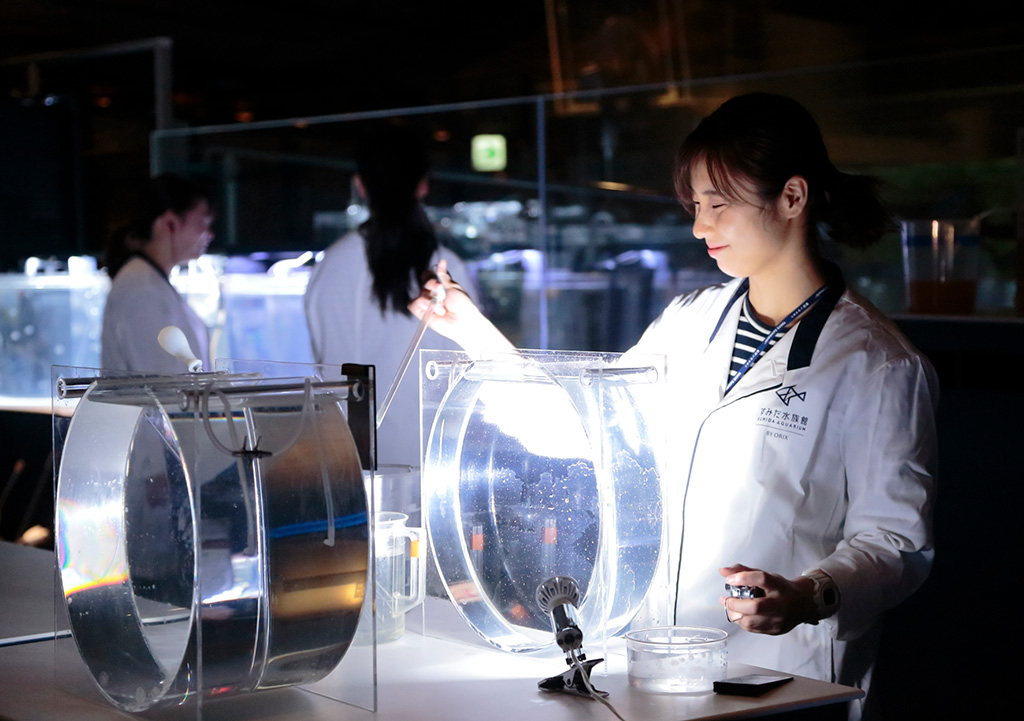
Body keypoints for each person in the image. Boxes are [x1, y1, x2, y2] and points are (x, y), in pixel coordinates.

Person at [411, 93, 937, 719]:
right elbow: (590, 432)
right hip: (658, 661)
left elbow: (895, 543)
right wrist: (475, 335)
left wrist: (809, 594)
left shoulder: (879, 363)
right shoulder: (689, 323)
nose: (699, 227)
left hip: (784, 674)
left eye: (717, 205)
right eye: (695, 206)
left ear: (792, 198)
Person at [304, 125, 477, 467]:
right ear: (424, 185)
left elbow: (322, 366)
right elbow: (467, 376)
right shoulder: (445, 269)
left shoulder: (329, 267)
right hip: (432, 464)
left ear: (360, 185)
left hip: (346, 465)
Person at [100, 173, 214, 373]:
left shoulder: (148, 280)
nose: (209, 233)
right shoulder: (143, 288)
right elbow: (161, 384)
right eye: (203, 221)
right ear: (169, 222)